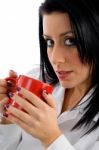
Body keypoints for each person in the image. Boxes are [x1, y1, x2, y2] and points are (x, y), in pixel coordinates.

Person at [0, 0, 99, 149]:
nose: (55, 58)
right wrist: (8, 120)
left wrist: (51, 138)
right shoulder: (36, 79)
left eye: (71, 41)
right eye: (49, 41)